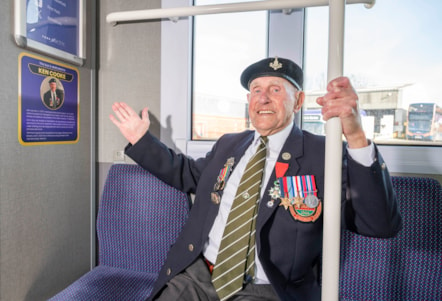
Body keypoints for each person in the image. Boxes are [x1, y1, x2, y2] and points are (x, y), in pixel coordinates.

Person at [110, 57, 402, 301]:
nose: (262, 98)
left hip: (268, 289)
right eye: (256, 90)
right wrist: (141, 140)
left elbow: (379, 224)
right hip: (198, 276)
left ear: (298, 101)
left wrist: (355, 136)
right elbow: (188, 175)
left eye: (275, 89)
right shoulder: (229, 144)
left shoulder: (323, 154)